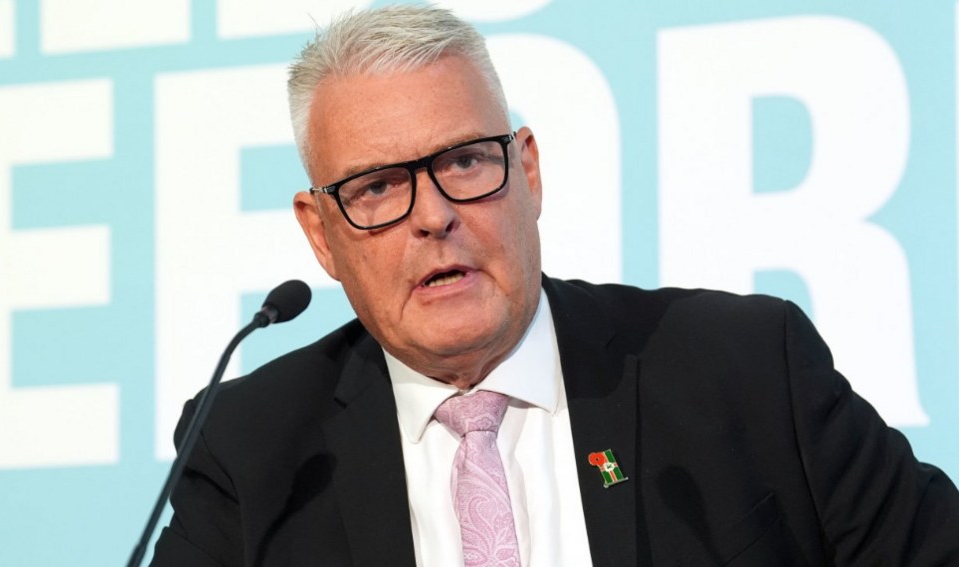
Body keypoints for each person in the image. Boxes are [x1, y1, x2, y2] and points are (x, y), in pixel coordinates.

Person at [150, 6, 959, 567]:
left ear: (526, 172)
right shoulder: (251, 450)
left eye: (465, 161)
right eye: (377, 188)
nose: (433, 215)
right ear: (321, 233)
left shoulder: (745, 371)